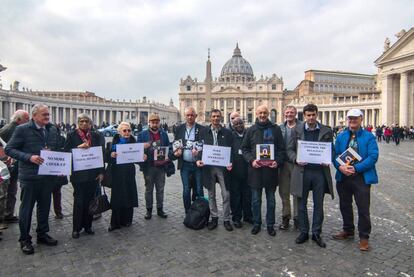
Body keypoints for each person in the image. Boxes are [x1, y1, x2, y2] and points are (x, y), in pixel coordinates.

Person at [5, 104, 59, 255]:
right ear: (34, 116)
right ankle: (24, 239)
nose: (47, 117)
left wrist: (60, 165)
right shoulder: (22, 130)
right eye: (44, 115)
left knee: (44, 207)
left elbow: (56, 148)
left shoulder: (52, 129)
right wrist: (29, 157)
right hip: (30, 177)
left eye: (48, 114)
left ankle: (42, 234)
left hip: (47, 176)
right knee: (26, 209)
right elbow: (9, 149)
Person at [287, 103, 334, 248]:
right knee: (301, 204)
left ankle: (316, 233)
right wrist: (296, 159)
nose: (311, 117)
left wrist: (328, 159)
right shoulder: (296, 130)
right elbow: (289, 150)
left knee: (318, 204)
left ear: (317, 114)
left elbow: (331, 149)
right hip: (302, 171)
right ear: (304, 116)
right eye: (308, 115)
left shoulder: (327, 131)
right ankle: (303, 231)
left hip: (320, 172)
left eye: (313, 115)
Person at [332, 109, 379, 251]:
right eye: (350, 118)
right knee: (345, 205)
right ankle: (348, 229)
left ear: (361, 119)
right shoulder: (341, 136)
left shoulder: (369, 137)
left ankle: (364, 237)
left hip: (361, 177)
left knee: (363, 208)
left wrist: (357, 168)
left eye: (355, 118)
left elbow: (373, 156)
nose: (352, 121)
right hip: (344, 176)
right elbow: (334, 154)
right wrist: (340, 167)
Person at [241, 105, 285, 236]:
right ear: (256, 113)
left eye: (264, 113)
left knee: (271, 200)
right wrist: (251, 160)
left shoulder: (275, 129)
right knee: (255, 200)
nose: (262, 115)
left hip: (271, 171)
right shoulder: (251, 130)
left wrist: (277, 161)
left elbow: (281, 149)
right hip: (255, 170)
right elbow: (245, 149)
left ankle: (270, 224)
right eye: (260, 113)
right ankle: (257, 223)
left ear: (268, 114)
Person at [64, 114, 104, 239]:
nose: (84, 123)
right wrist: (77, 148)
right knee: (79, 202)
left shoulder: (95, 135)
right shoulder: (71, 135)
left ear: (90, 123)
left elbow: (100, 153)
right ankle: (76, 228)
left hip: (93, 174)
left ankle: (88, 226)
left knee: (90, 201)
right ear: (78, 123)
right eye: (82, 121)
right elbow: (65, 152)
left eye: (87, 121)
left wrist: (101, 172)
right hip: (78, 175)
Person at [196, 109, 233, 231]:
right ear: (210, 118)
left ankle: (226, 219)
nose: (216, 118)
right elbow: (199, 147)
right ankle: (214, 217)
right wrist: (198, 158)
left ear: (221, 118)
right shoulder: (203, 131)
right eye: (214, 116)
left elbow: (231, 149)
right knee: (211, 194)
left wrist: (231, 161)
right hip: (208, 167)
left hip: (223, 167)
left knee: (226, 194)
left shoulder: (227, 133)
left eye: (218, 116)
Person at [107, 122, 139, 231]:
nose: (127, 133)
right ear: (119, 132)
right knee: (117, 197)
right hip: (117, 172)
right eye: (124, 130)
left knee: (129, 195)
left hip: (129, 172)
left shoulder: (133, 141)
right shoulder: (114, 141)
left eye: (129, 130)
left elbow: (138, 157)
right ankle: (115, 222)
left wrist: (143, 156)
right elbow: (107, 156)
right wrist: (111, 155)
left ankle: (127, 220)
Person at [137, 113, 170, 220]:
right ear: (149, 123)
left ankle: (160, 209)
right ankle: (149, 210)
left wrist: (168, 154)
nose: (155, 124)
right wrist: (143, 148)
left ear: (159, 123)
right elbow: (136, 149)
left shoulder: (164, 134)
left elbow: (168, 146)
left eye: (156, 122)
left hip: (161, 166)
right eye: (153, 122)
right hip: (148, 166)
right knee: (149, 189)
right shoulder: (142, 135)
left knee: (160, 189)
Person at [172, 107, 204, 213]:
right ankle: (188, 211)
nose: (190, 117)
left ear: (195, 116)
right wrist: (176, 152)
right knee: (186, 189)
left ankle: (200, 211)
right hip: (185, 164)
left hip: (197, 164)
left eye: (192, 115)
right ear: (185, 116)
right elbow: (175, 144)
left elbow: (205, 146)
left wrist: (199, 152)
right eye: (188, 115)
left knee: (199, 189)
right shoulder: (179, 128)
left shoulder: (202, 129)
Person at [0, 109, 30, 224]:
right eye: (26, 119)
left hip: (11, 165)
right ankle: (5, 216)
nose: (28, 121)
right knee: (6, 191)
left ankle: (8, 213)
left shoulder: (13, 128)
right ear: (19, 119)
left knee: (11, 190)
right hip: (7, 165)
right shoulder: (11, 129)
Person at [278, 105, 302, 230]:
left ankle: (298, 218)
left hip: (297, 163)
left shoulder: (302, 127)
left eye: (291, 112)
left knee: (297, 192)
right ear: (284, 113)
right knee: (284, 192)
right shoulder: (280, 128)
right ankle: (286, 217)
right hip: (283, 164)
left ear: (296, 113)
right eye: (287, 112)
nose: (289, 114)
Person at [230, 117, 252, 228]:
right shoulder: (231, 136)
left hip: (248, 170)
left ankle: (248, 216)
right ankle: (236, 218)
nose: (238, 125)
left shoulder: (248, 134)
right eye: (236, 124)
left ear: (244, 124)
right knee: (236, 196)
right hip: (234, 171)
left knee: (247, 195)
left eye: (240, 123)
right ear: (233, 126)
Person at [51, 126, 68, 219]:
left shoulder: (62, 139)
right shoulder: (61, 139)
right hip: (51, 169)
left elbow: (66, 153)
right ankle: (58, 212)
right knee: (56, 192)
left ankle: (58, 211)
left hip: (57, 168)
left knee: (56, 192)